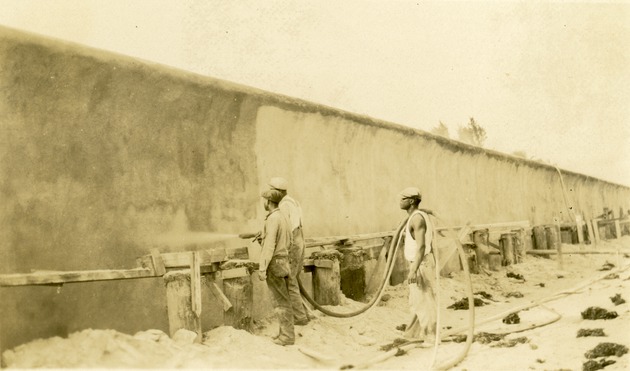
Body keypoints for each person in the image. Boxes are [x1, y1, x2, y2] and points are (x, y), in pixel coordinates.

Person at [269, 177, 310, 325]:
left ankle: (300, 318)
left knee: (290, 281)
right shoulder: (293, 201)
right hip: (300, 241)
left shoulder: (284, 205)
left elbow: (287, 228)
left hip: (293, 243)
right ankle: (303, 314)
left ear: (278, 192)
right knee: (294, 280)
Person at [398, 187, 437, 342]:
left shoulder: (417, 219)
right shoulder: (417, 216)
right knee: (416, 300)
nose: (400, 201)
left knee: (424, 301)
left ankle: (431, 337)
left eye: (403, 199)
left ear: (411, 201)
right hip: (420, 262)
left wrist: (413, 270)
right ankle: (412, 334)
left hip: (420, 263)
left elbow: (421, 246)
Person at [257, 189, 295, 346]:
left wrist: (262, 267)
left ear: (268, 202)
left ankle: (287, 337)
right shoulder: (283, 217)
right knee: (285, 300)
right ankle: (284, 333)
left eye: (264, 200)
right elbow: (290, 241)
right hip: (284, 262)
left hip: (275, 264)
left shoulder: (273, 218)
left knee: (281, 303)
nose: (263, 203)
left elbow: (270, 245)